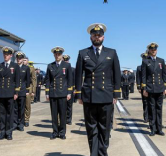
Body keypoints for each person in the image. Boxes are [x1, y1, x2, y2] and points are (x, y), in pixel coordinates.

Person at [75, 23, 121, 156]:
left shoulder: (111, 53)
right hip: (89, 97)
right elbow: (79, 75)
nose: (97, 37)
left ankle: (102, 153)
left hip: (106, 96)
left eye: (99, 35)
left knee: (105, 128)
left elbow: (116, 74)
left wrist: (116, 93)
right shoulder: (83, 53)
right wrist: (79, 94)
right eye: (94, 35)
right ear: (90, 37)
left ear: (103, 37)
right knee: (91, 129)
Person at [45, 47, 73, 140]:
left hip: (63, 93)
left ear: (61, 55)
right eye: (56, 54)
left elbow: (70, 80)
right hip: (53, 93)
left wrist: (69, 92)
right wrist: (47, 92)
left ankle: (62, 132)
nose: (57, 56)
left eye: (59, 54)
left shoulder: (67, 65)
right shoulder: (50, 66)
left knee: (62, 114)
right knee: (54, 114)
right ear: (54, 55)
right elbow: (48, 80)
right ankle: (55, 132)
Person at [141, 42, 166, 136]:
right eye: (152, 50)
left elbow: (164, 75)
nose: (153, 51)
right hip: (150, 88)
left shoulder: (161, 60)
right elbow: (143, 76)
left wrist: (165, 87)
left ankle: (159, 129)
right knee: (152, 109)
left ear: (157, 50)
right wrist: (144, 89)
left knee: (159, 109)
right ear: (149, 50)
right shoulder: (145, 61)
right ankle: (153, 128)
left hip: (160, 88)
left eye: (155, 49)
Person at [0, 46, 20, 140]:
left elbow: (17, 80)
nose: (5, 56)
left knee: (10, 113)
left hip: (10, 93)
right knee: (2, 114)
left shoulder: (15, 66)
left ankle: (9, 132)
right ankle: (2, 132)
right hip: (1, 93)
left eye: (7, 54)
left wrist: (16, 92)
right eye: (4, 54)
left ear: (11, 55)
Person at [13, 51, 31, 131]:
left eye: (20, 58)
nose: (18, 59)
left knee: (22, 108)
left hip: (23, 90)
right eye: (17, 58)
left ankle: (21, 124)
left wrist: (27, 90)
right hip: (14, 91)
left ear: (22, 59)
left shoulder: (26, 68)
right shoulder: (13, 67)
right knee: (14, 108)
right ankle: (14, 123)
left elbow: (27, 80)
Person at [23, 58, 36, 127]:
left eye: (25, 60)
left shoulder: (31, 69)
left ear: (27, 61)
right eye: (23, 60)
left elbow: (34, 79)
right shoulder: (18, 67)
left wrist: (33, 90)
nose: (23, 61)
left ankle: (26, 119)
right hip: (21, 87)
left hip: (29, 87)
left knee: (27, 105)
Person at [63, 54, 76, 125]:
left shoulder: (73, 69)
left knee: (69, 105)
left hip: (70, 89)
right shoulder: (62, 69)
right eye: (64, 60)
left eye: (66, 60)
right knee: (63, 105)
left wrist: (74, 89)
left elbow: (75, 80)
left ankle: (69, 119)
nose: (66, 62)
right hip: (63, 89)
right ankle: (63, 118)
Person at [136, 52, 149, 123]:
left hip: (150, 87)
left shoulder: (150, 66)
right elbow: (138, 77)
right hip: (143, 87)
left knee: (151, 102)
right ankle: (146, 117)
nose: (145, 59)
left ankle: (151, 117)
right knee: (145, 102)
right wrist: (138, 87)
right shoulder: (139, 67)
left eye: (146, 58)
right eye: (144, 58)